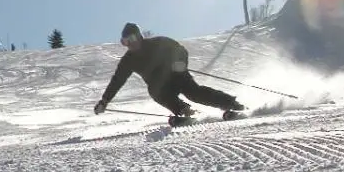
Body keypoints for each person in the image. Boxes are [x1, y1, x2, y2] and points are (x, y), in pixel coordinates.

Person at [93, 23, 245, 119]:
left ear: (139, 37)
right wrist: (104, 101)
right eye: (125, 42)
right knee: (154, 91)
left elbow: (180, 50)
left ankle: (231, 103)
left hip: (177, 75)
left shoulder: (158, 43)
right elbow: (117, 80)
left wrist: (180, 64)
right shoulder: (128, 60)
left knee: (194, 93)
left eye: (131, 39)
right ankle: (184, 110)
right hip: (161, 86)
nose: (129, 44)